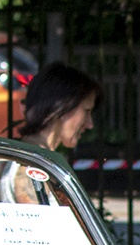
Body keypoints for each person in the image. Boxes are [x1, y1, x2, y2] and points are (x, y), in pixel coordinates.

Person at [6, 63, 101, 204]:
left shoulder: (37, 161)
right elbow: (38, 223)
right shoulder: (30, 167)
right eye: (86, 111)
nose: (90, 124)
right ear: (63, 107)